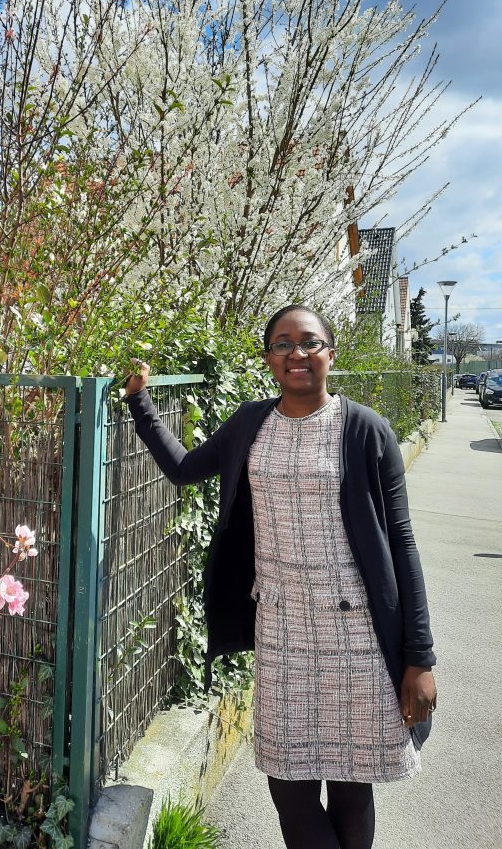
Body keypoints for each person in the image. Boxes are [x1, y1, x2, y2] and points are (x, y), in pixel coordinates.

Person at [123, 304, 437, 849]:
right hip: (281, 629)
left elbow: (402, 545)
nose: (297, 353)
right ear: (269, 358)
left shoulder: (366, 429)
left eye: (309, 342)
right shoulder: (250, 423)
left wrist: (420, 658)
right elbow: (184, 469)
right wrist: (139, 401)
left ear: (330, 353)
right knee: (287, 783)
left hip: (356, 636)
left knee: (351, 781)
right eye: (283, 344)